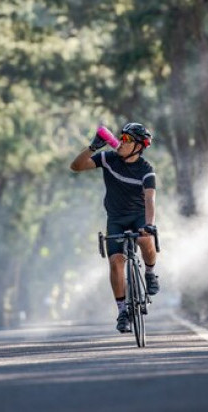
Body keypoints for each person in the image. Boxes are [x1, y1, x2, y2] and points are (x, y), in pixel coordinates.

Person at [70, 122, 159, 333]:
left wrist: (149, 225)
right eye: (121, 136)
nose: (120, 141)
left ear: (139, 146)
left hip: (139, 216)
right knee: (116, 262)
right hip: (116, 218)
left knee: (145, 239)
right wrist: (93, 147)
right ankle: (122, 311)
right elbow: (76, 167)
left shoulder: (146, 170)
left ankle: (150, 272)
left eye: (127, 139)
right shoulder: (108, 158)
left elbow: (150, 200)